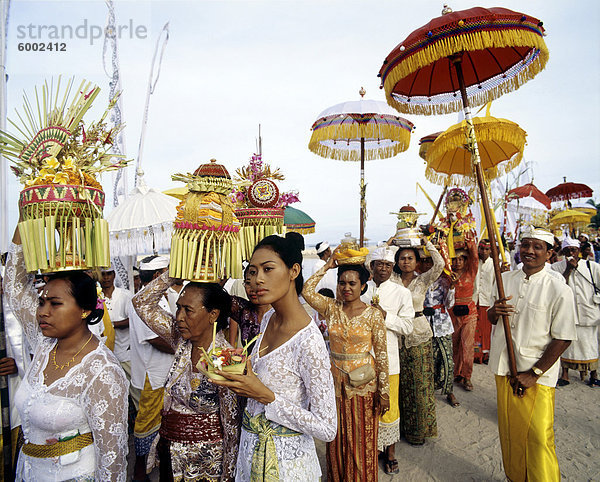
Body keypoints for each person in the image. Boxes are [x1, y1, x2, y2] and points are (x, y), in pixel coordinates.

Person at [5, 230, 128, 481]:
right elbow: (14, 285)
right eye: (41, 302)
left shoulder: (103, 371)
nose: (43, 312)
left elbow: (112, 459)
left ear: (84, 310)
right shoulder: (43, 343)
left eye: (55, 304)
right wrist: (23, 224)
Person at [211, 235, 337, 481]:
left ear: (294, 271)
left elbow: (327, 428)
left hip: (287, 464)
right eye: (253, 271)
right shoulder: (268, 319)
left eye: (268, 269)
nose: (257, 279)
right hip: (250, 453)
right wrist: (240, 372)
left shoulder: (308, 341)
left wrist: (265, 395)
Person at [488, 227, 577, 482]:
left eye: (537, 247)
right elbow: (492, 318)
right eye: (525, 245)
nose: (529, 251)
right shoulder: (504, 278)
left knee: (538, 437)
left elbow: (564, 337)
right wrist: (495, 311)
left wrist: (534, 373)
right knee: (510, 433)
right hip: (504, 367)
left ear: (550, 254)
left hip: (536, 376)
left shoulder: (558, 288)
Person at [132, 272, 241, 481]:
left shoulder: (227, 358)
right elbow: (142, 302)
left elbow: (231, 427)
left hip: (206, 463)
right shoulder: (181, 340)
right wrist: (175, 273)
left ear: (213, 314)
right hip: (170, 454)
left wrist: (228, 476)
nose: (179, 317)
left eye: (188, 310)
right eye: (178, 308)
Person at [303, 258, 389, 482]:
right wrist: (327, 267)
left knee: (362, 441)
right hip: (334, 384)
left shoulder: (373, 315)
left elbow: (381, 354)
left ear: (363, 286)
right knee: (336, 438)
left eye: (352, 283)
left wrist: (384, 392)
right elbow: (306, 291)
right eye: (342, 283)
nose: (346, 288)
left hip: (364, 385)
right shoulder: (331, 308)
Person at [361, 245, 414, 474]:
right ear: (371, 267)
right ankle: (371, 450)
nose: (383, 268)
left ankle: (391, 453)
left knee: (389, 407)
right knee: (366, 407)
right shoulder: (361, 289)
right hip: (362, 359)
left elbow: (408, 327)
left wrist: (385, 316)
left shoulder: (402, 292)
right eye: (379, 264)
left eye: (387, 265)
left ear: (392, 267)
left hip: (390, 360)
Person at [129, 255, 176, 481]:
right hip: (151, 375)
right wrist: (183, 350)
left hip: (160, 373)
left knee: (160, 422)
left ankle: (153, 465)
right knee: (146, 423)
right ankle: (139, 471)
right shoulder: (144, 300)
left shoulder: (161, 298)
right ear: (158, 276)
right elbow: (154, 338)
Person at [392, 238, 443, 445]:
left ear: (416, 261)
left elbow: (440, 264)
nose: (406, 262)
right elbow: (370, 263)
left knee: (420, 384)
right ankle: (401, 428)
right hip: (396, 335)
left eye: (410, 258)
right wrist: (391, 243)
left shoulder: (422, 280)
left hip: (419, 333)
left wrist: (427, 244)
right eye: (402, 258)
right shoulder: (390, 280)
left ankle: (420, 431)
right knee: (401, 384)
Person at [553, 237, 600, 386]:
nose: (571, 253)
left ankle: (593, 374)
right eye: (567, 250)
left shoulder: (592, 267)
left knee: (590, 345)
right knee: (567, 344)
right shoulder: (556, 267)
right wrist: (568, 269)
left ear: (578, 251)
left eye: (573, 250)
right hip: (569, 313)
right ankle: (565, 374)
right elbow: (559, 287)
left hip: (589, 313)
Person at [422, 257, 458, 407]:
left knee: (447, 359)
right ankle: (429, 390)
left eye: (432, 263)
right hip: (423, 323)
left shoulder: (444, 281)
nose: (429, 266)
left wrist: (452, 287)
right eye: (426, 262)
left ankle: (449, 390)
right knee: (428, 359)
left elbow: (449, 303)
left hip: (442, 323)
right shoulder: (418, 280)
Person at [448, 237, 478, 391]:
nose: (458, 262)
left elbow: (475, 258)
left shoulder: (470, 272)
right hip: (452, 313)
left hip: (469, 313)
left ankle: (467, 376)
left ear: (466, 261)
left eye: (461, 259)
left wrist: (470, 243)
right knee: (454, 345)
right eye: (455, 259)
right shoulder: (447, 274)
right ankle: (455, 373)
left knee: (467, 346)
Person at [99, 266, 133, 378]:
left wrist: (110, 325)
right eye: (103, 275)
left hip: (124, 351)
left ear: (114, 275)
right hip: (104, 354)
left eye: (108, 274)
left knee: (133, 388)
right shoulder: (96, 297)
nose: (106, 278)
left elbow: (133, 319)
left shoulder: (125, 295)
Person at [474, 239, 494, 364]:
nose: (484, 252)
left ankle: (485, 355)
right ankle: (475, 354)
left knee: (486, 330)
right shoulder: (474, 262)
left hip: (487, 300)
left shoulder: (494, 264)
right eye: (482, 249)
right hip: (474, 299)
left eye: (487, 249)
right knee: (475, 329)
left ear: (491, 250)